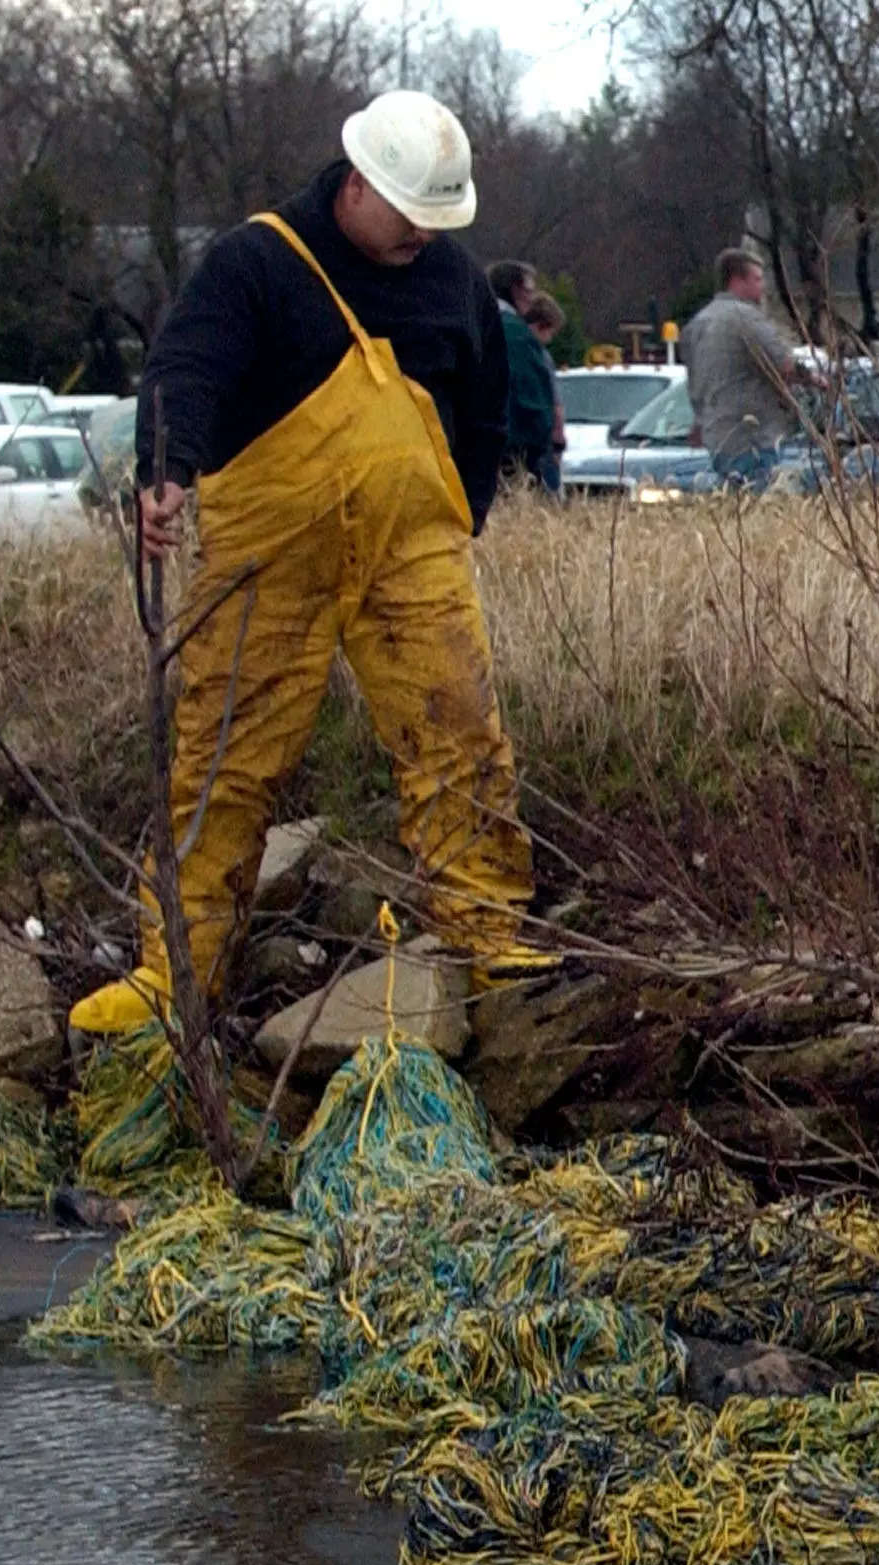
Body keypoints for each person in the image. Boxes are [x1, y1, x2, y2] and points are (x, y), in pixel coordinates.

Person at [73, 89, 550, 1036]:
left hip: (412, 559)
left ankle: (490, 942)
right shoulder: (258, 263)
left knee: (458, 740)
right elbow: (188, 368)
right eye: (411, 214)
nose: (422, 234)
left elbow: (487, 407)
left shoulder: (452, 279)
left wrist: (467, 511)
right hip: (267, 565)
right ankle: (180, 974)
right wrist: (164, 473)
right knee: (224, 765)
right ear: (358, 184)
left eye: (437, 220)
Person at [681, 247, 801, 485]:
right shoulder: (745, 317)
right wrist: (817, 380)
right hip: (752, 438)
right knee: (763, 505)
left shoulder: (696, 325)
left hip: (716, 439)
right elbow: (786, 365)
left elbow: (694, 383)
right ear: (737, 280)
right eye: (757, 279)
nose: (762, 287)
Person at [489, 258, 562, 492]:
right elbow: (532, 397)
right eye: (529, 290)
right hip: (513, 450)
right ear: (515, 289)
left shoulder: (477, 321)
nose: (532, 298)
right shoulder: (516, 334)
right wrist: (547, 442)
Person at [520, 292, 568, 491]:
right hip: (542, 442)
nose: (549, 340)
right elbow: (555, 403)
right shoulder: (540, 356)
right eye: (551, 332)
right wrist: (559, 442)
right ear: (543, 326)